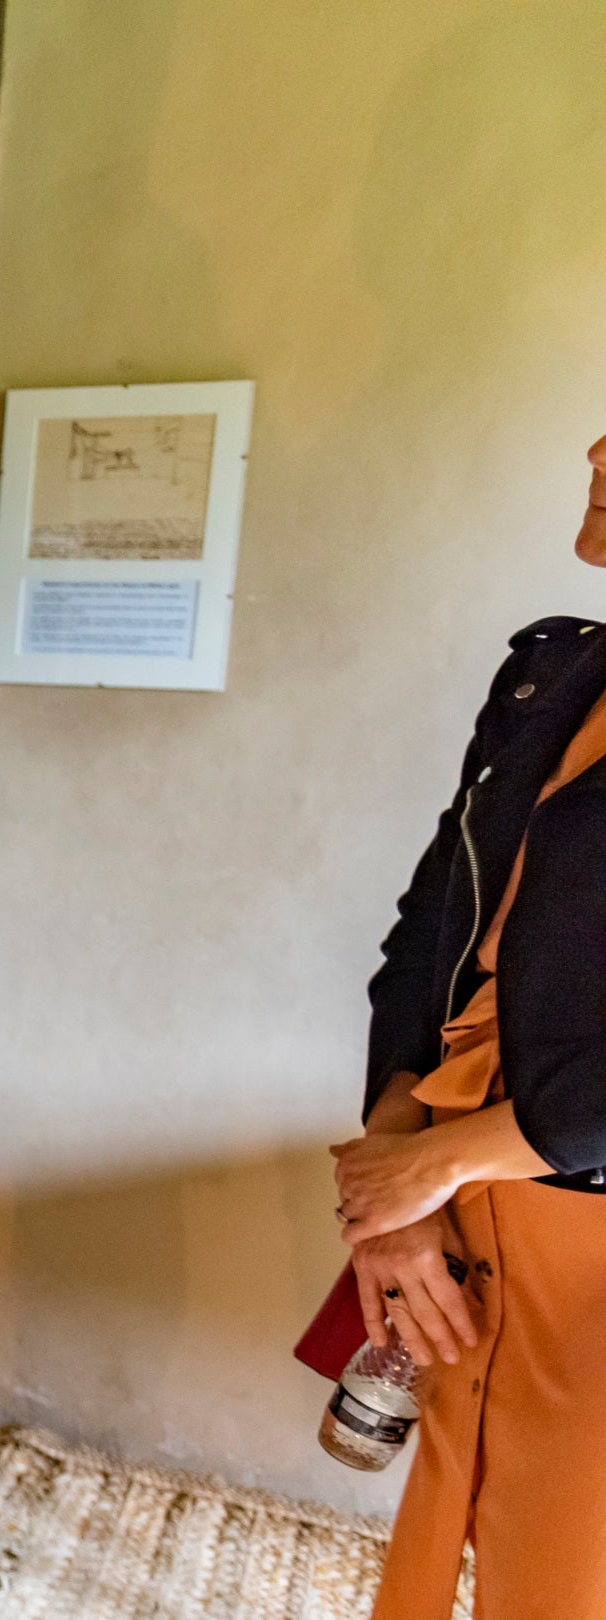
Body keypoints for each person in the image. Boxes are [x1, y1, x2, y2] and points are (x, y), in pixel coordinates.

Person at [333, 435, 606, 1620]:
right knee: (460, 1529)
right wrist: (405, 1176)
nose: (596, 449)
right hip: (474, 1202)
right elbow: (433, 923)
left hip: (577, 1224)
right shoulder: (559, 675)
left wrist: (436, 1164)